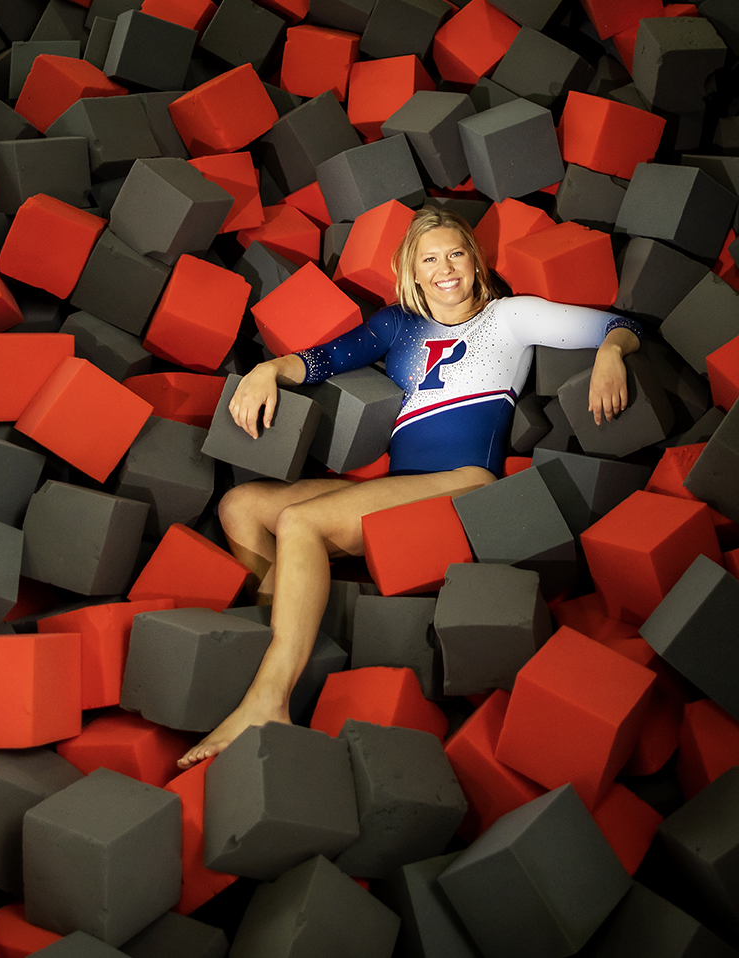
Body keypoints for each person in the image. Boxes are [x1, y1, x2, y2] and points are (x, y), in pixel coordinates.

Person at [176, 206, 642, 767]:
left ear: (475, 261)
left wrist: (612, 352)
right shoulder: (398, 324)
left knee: (300, 521)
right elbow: (326, 359)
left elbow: (618, 325)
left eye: (456, 254)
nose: (445, 269)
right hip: (402, 485)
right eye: (430, 259)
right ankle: (288, 649)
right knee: (240, 506)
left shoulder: (511, 318)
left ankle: (267, 700)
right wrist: (267, 371)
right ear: (412, 272)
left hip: (464, 481)